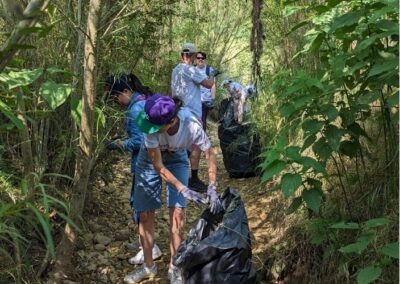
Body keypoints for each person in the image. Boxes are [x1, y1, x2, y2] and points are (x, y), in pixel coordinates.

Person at [123, 95, 223, 284]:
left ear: (171, 122)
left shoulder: (191, 125)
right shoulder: (150, 125)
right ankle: (148, 266)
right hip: (150, 160)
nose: (150, 127)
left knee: (178, 212)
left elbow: (210, 153)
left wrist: (212, 186)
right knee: (145, 214)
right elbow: (159, 166)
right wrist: (183, 188)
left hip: (177, 158)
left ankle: (175, 267)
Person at [103, 73, 163, 265]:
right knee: (141, 204)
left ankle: (150, 249)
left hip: (144, 163)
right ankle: (143, 242)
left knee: (140, 206)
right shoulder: (141, 102)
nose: (116, 101)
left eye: (117, 96)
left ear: (127, 91)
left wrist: (116, 144)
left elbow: (139, 141)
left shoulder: (135, 108)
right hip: (150, 160)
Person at [171, 43, 215, 192]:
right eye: (197, 56)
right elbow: (208, 84)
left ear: (182, 55)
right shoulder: (191, 70)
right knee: (197, 146)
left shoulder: (175, 70)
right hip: (193, 115)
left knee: (181, 144)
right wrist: (212, 75)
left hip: (177, 113)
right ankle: (194, 179)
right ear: (194, 56)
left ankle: (179, 177)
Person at [195, 51, 217, 131]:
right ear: (195, 59)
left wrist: (213, 99)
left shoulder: (209, 70)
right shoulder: (192, 70)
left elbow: (213, 85)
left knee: (202, 119)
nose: (200, 59)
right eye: (198, 58)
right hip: (195, 99)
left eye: (202, 58)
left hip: (206, 100)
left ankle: (202, 138)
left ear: (205, 59)